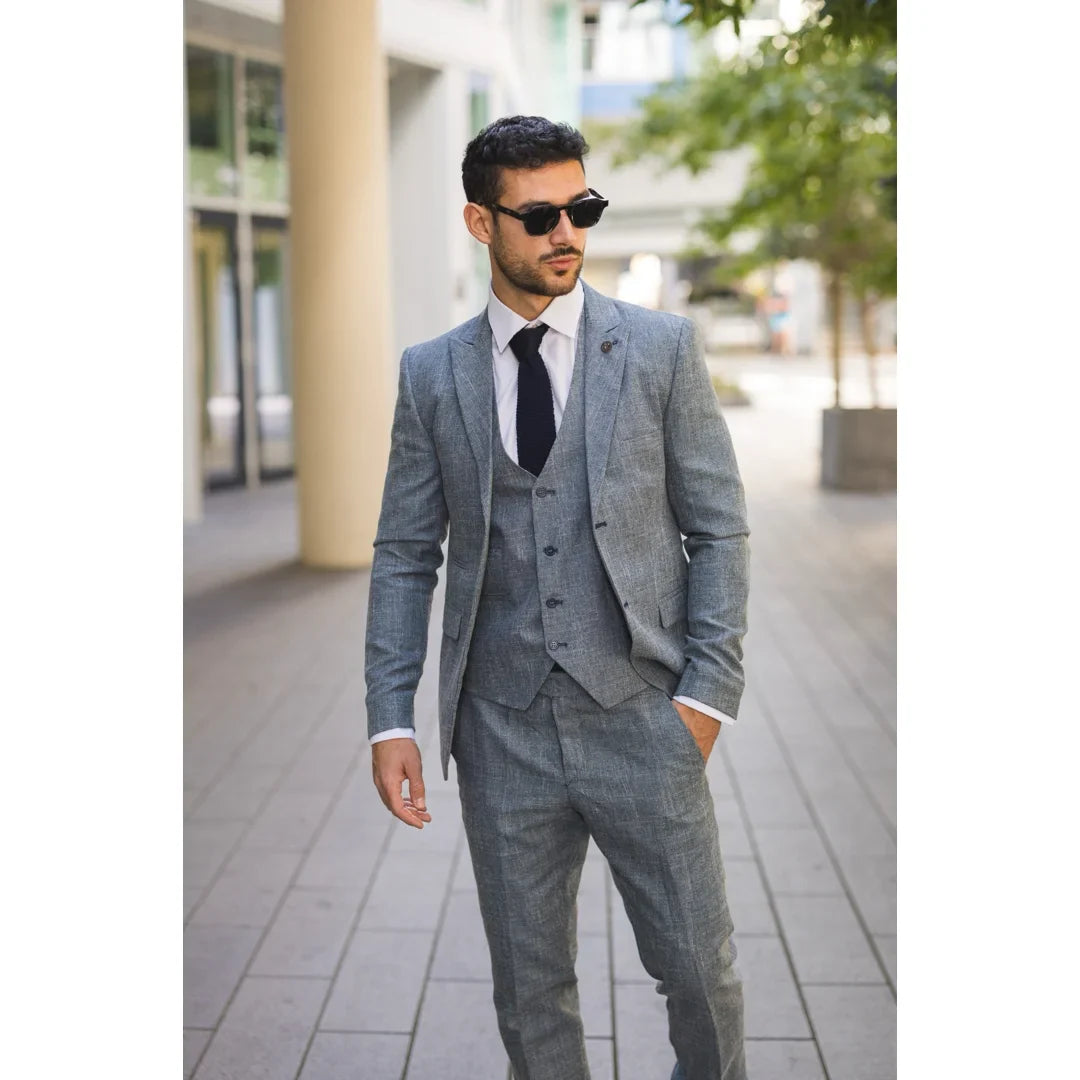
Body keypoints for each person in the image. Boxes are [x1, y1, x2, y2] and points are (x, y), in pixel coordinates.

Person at [364, 116, 751, 1080]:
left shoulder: (660, 349)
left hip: (644, 716)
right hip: (502, 728)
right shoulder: (430, 374)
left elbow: (721, 528)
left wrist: (704, 700)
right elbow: (406, 552)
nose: (565, 233)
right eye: (538, 216)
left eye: (581, 209)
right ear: (478, 222)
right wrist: (390, 720)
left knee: (700, 975)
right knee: (530, 991)